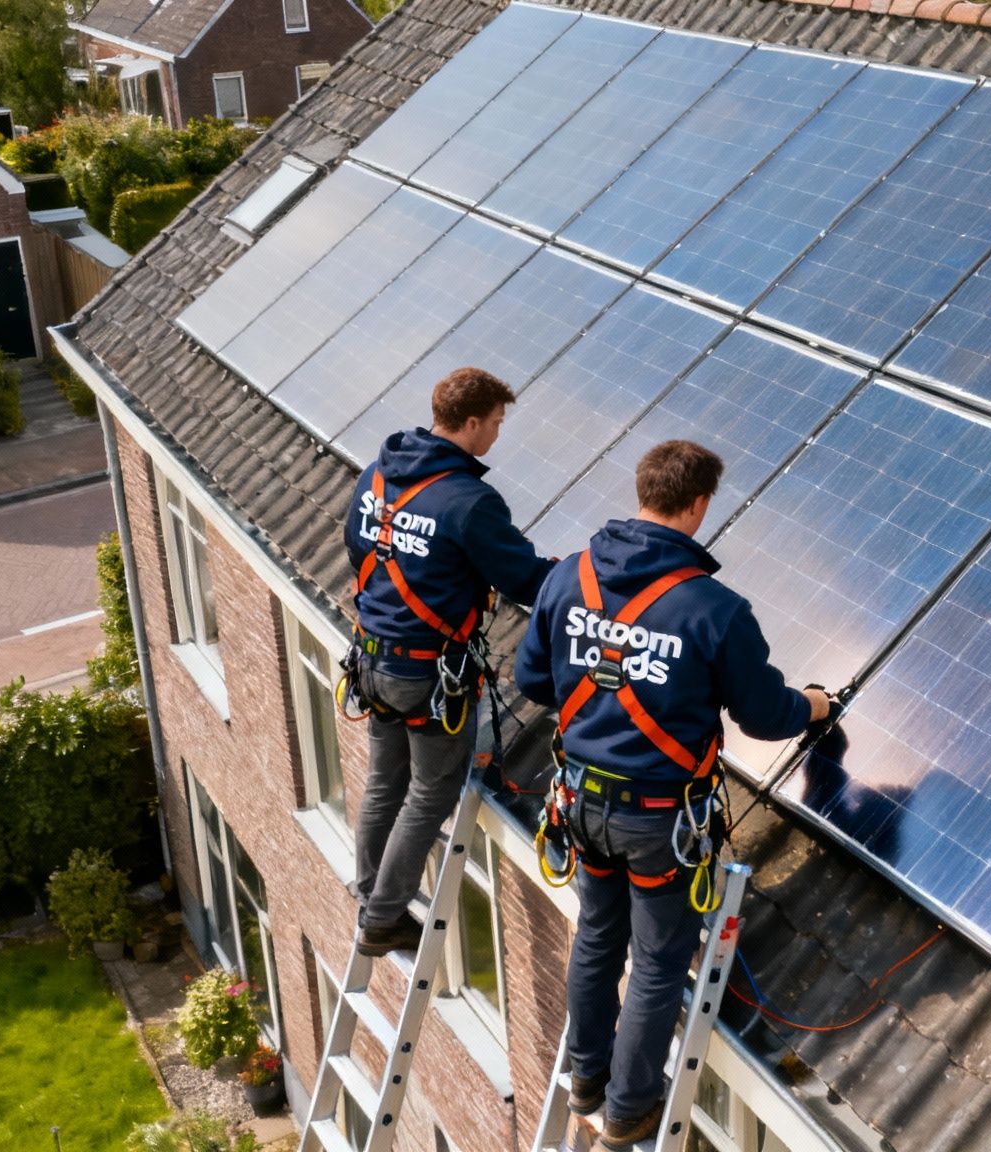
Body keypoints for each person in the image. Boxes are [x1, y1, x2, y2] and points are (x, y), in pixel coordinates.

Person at [515, 440, 831, 1149]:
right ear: (697, 505)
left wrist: (597, 690)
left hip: (581, 806)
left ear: (643, 491)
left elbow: (532, 680)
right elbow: (763, 716)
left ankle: (586, 1079)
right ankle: (629, 1107)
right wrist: (814, 705)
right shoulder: (714, 610)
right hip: (660, 823)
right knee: (658, 960)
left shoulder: (568, 577)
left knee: (598, 934)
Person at [345, 367, 552, 957]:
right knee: (430, 792)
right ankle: (382, 918)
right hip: (427, 675)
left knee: (384, 783)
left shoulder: (377, 475)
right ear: (468, 423)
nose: (496, 436)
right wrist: (580, 582)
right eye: (495, 424)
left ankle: (368, 896)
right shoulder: (469, 501)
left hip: (373, 658)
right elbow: (524, 578)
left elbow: (359, 549)